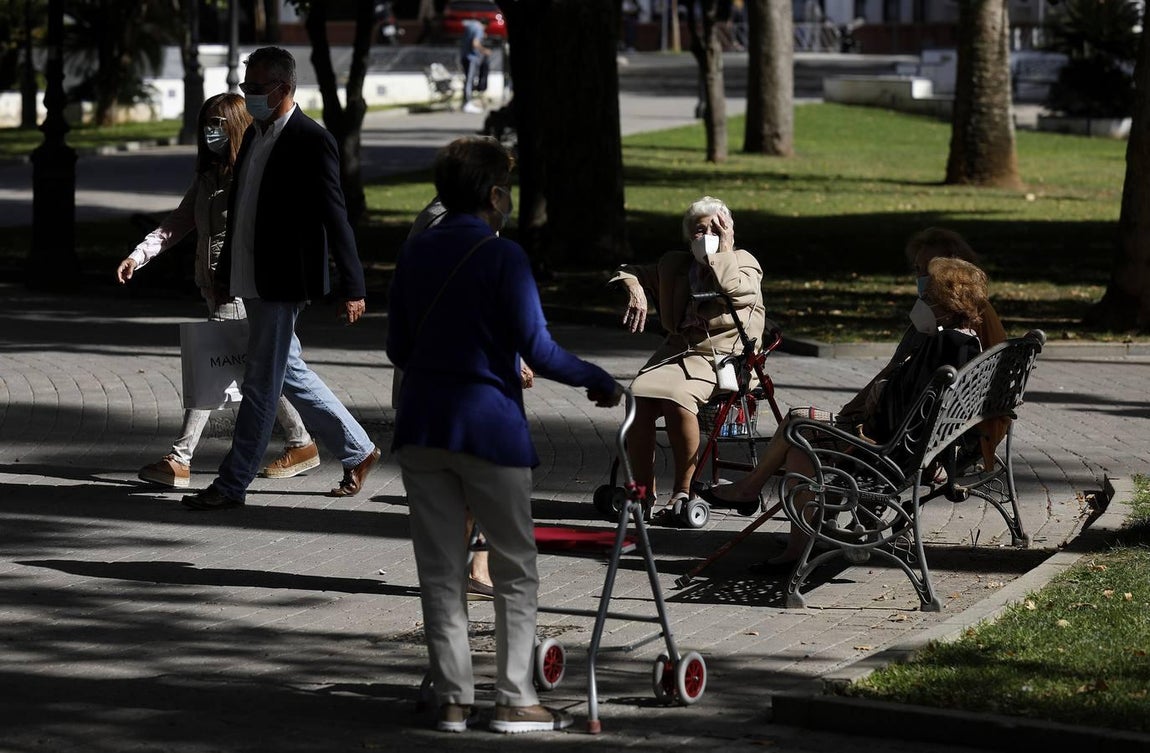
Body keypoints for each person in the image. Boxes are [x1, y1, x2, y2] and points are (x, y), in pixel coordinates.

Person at [387, 136, 622, 734]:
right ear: (494, 195)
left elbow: (397, 347)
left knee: (439, 569)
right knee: (515, 566)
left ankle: (452, 698)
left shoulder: (415, 252)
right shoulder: (503, 257)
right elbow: (538, 349)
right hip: (488, 428)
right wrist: (600, 380)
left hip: (421, 425)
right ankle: (515, 697)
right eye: (507, 191)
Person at [180, 46, 380, 511]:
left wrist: (353, 286)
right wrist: (227, 271)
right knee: (286, 369)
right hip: (250, 275)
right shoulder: (254, 135)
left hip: (283, 280)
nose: (247, 96)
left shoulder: (312, 140)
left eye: (255, 88)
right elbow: (242, 211)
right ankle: (359, 449)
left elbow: (336, 216)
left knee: (260, 382)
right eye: (244, 87)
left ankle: (231, 484)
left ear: (284, 88)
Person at [701, 256, 994, 571]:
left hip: (883, 450)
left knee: (797, 425)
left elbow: (896, 411)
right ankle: (793, 546)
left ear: (946, 305)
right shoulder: (968, 345)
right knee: (800, 443)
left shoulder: (942, 345)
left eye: (927, 298)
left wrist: (879, 394)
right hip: (913, 449)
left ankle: (753, 495)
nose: (920, 302)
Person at [116, 93, 320, 489]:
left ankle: (180, 458)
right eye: (206, 125)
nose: (211, 133)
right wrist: (139, 255)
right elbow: (179, 222)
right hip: (214, 288)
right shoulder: (209, 176)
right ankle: (302, 442)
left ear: (237, 129)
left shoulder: (250, 176)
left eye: (219, 126)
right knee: (254, 370)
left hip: (240, 290)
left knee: (208, 365)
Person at [608, 196, 764, 517]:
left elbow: (736, 288)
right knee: (637, 396)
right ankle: (641, 491)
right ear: (687, 235)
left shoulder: (744, 262)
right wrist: (635, 288)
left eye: (714, 228)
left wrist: (724, 248)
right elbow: (627, 270)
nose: (706, 235)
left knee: (676, 398)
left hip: (720, 357)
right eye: (699, 230)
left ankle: (682, 491)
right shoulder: (674, 265)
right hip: (677, 352)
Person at [459, 18, 490, 114]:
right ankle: (468, 103)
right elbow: (475, 43)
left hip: (464, 55)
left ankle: (465, 102)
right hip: (471, 57)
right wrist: (484, 50)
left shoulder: (470, 25)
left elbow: (463, 23)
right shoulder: (479, 29)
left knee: (467, 79)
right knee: (470, 80)